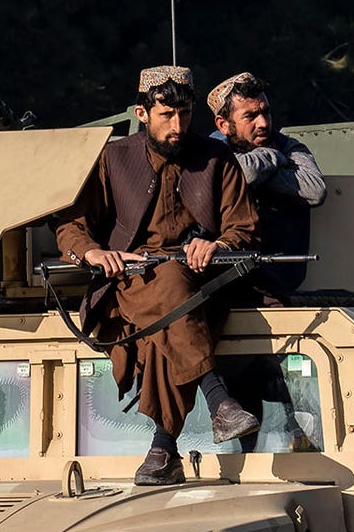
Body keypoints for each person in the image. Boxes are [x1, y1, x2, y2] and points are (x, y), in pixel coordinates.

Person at [55, 65, 261, 485]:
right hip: (129, 278)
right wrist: (93, 251)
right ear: (142, 113)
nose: (178, 126)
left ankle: (164, 449)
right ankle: (217, 399)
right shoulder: (113, 158)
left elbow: (244, 225)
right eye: (166, 115)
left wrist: (217, 245)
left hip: (204, 279)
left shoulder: (216, 157)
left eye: (185, 116)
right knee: (170, 289)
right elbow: (71, 224)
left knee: (168, 321)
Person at [208, 73, 326, 303]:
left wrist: (263, 176)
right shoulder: (213, 147)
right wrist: (270, 156)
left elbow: (316, 190)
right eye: (250, 116)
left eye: (266, 112)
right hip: (223, 276)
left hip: (276, 278)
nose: (263, 123)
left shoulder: (288, 145)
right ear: (223, 125)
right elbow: (240, 173)